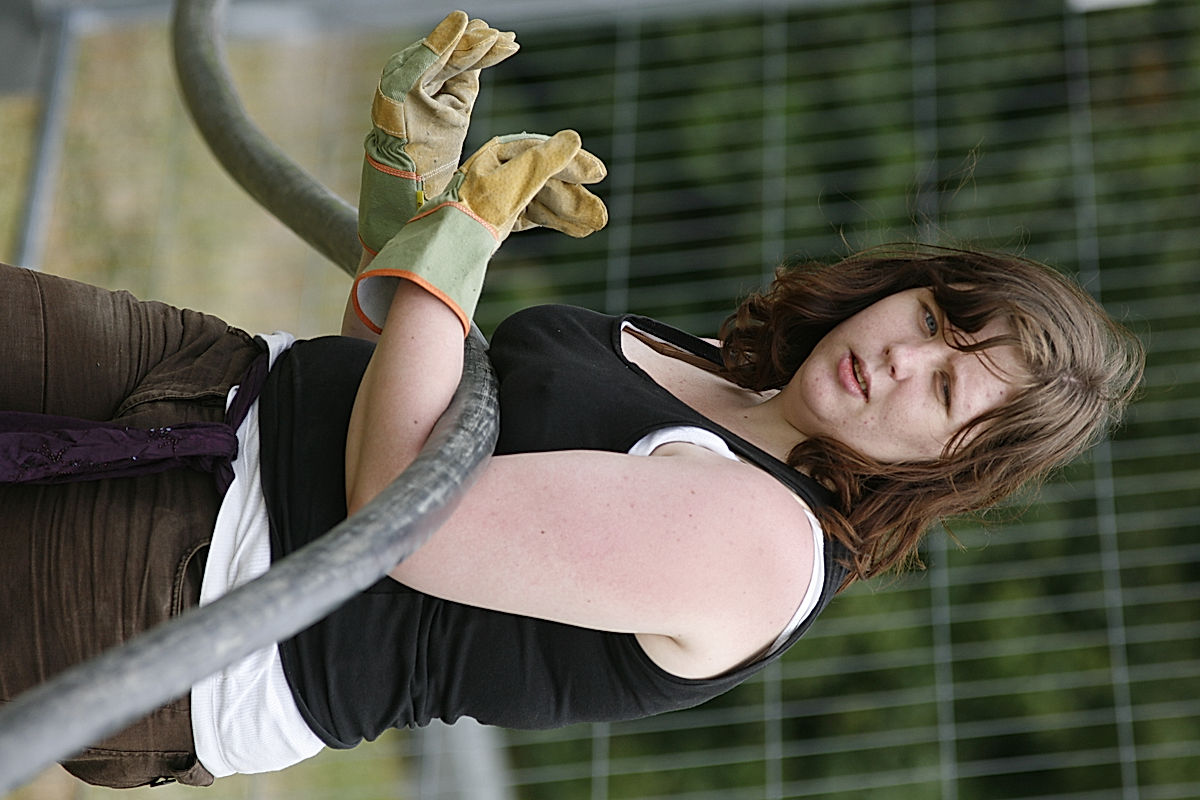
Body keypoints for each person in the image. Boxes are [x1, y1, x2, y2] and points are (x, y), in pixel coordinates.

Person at [0, 11, 1144, 790]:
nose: (902, 359)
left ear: (947, 466)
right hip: (222, 388)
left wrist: (465, 247)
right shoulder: (724, 371)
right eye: (935, 321)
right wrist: (411, 192)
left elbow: (396, 508)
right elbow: (403, 371)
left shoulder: (759, 544)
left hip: (203, 605)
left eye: (946, 388)